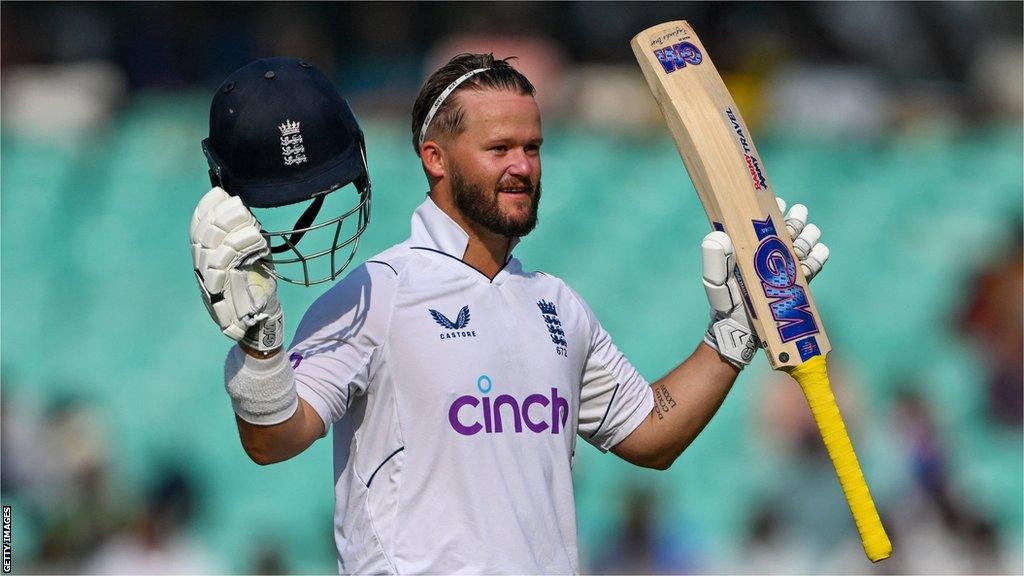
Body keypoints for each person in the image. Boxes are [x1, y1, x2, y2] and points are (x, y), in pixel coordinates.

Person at [190, 53, 830, 574]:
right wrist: (260, 348)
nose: (523, 167)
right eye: (499, 149)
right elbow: (273, 440)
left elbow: (652, 436)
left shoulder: (556, 303)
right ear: (434, 157)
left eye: (533, 147)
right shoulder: (377, 293)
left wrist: (736, 332)